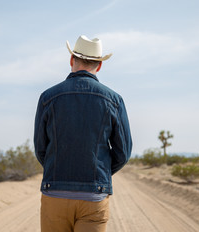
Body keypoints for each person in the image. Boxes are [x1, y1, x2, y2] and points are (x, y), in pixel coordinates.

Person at [34, 35, 132, 232]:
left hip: (55, 194)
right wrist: (97, 171)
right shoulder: (114, 100)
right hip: (94, 197)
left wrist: (60, 170)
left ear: (71, 60)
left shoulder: (47, 97)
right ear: (100, 65)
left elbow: (41, 149)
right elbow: (123, 153)